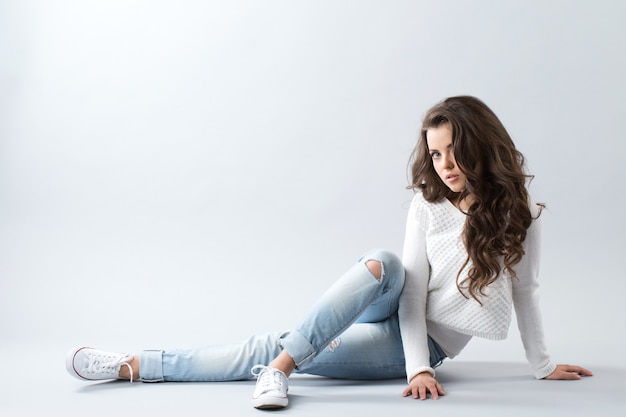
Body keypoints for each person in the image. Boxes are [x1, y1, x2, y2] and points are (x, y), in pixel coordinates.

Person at [65, 96, 592, 409]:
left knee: (267, 348)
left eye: (455, 150)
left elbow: (526, 291)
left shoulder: (520, 212)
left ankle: (136, 365)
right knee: (383, 260)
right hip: (403, 318)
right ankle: (281, 368)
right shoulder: (429, 204)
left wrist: (541, 365)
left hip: (427, 345)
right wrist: (416, 372)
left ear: (482, 145)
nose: (444, 164)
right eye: (435, 153)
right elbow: (407, 296)